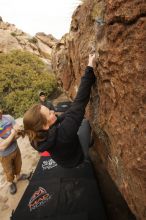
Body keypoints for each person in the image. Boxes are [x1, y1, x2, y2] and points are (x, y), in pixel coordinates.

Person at [22, 53, 96, 168]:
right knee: (84, 122)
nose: (53, 112)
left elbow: (64, 116)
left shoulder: (35, 137)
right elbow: (80, 102)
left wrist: (71, 114)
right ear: (45, 126)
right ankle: (87, 146)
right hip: (77, 159)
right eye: (49, 113)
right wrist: (90, 67)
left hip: (63, 162)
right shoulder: (64, 133)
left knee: (70, 118)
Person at [0, 109, 30, 194]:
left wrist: (9, 140)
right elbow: (2, 147)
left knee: (18, 164)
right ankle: (11, 183)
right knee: (8, 170)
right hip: (4, 155)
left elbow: (19, 130)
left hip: (15, 148)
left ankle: (19, 177)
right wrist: (13, 134)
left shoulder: (8, 117)